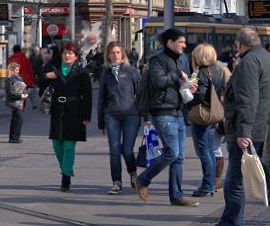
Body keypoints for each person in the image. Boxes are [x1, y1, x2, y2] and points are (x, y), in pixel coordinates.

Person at [205, 26, 270, 226]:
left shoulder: (249, 62)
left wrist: (244, 132)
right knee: (266, 176)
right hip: (263, 126)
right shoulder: (265, 57)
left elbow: (248, 100)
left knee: (234, 180)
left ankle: (230, 224)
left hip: (250, 130)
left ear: (239, 44)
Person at [135, 27, 199, 207]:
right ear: (170, 42)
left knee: (179, 157)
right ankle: (143, 180)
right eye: (181, 42)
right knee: (172, 152)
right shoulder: (157, 60)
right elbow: (159, 81)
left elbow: (180, 82)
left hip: (178, 111)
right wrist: (178, 75)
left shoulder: (181, 59)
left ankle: (177, 196)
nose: (184, 45)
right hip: (162, 111)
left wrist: (189, 85)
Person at [39, 42, 92, 191]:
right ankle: (66, 168)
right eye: (65, 53)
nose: (67, 56)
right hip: (57, 109)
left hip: (75, 110)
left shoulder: (81, 72)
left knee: (69, 145)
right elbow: (39, 81)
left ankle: (66, 175)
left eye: (70, 53)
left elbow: (87, 96)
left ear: (75, 56)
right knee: (57, 144)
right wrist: (46, 76)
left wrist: (86, 116)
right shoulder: (54, 68)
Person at [96, 41, 141, 194]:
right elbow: (101, 98)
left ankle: (133, 173)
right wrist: (100, 123)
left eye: (117, 52)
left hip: (131, 115)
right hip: (112, 115)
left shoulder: (131, 71)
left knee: (127, 150)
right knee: (114, 149)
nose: (115, 55)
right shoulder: (106, 73)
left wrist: (147, 116)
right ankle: (117, 182)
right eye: (112, 53)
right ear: (108, 55)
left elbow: (141, 94)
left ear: (122, 54)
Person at [188, 43, 230, 198]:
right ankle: (211, 183)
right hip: (212, 115)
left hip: (202, 115)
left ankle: (207, 185)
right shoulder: (215, 71)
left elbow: (200, 95)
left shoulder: (202, 73)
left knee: (203, 151)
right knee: (210, 150)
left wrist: (190, 94)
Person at [5, 59, 27, 143]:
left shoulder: (19, 78)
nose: (18, 71)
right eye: (16, 70)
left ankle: (15, 137)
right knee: (18, 119)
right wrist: (21, 95)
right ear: (12, 70)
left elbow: (23, 88)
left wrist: (25, 93)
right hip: (14, 102)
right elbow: (10, 93)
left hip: (20, 102)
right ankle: (14, 138)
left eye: (18, 69)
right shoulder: (9, 80)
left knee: (16, 119)